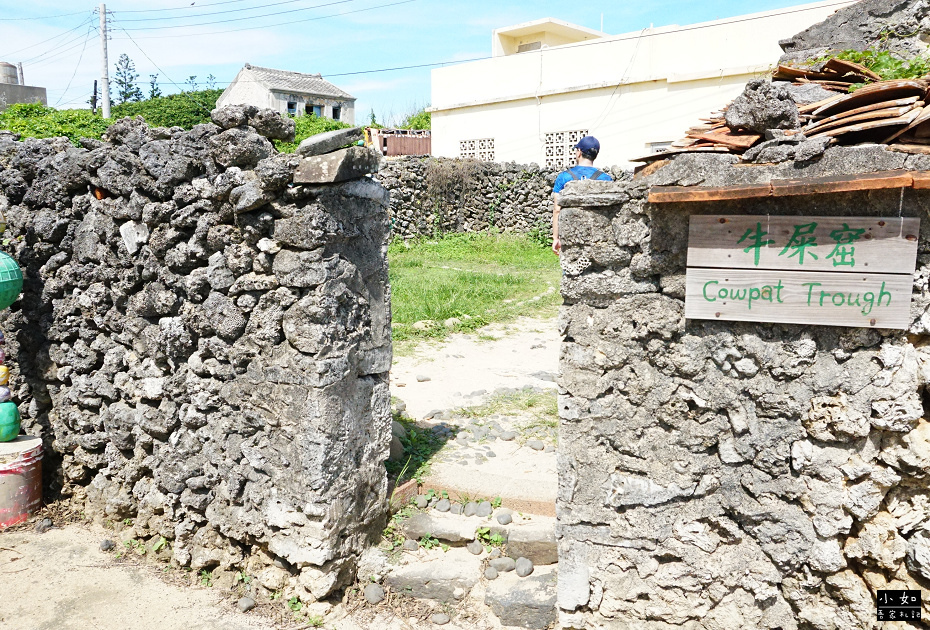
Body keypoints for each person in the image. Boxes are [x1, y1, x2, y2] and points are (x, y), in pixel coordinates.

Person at [551, 135, 612, 255]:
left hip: (571, 234)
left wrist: (555, 238)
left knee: (572, 269)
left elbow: (557, 209)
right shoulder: (606, 179)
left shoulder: (564, 177)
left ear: (579, 152)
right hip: (597, 236)